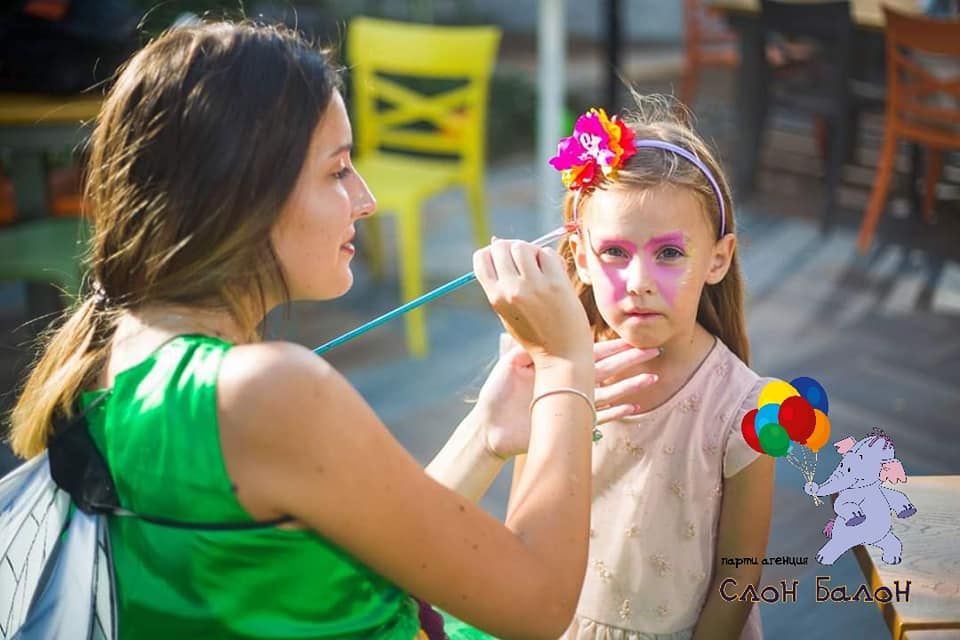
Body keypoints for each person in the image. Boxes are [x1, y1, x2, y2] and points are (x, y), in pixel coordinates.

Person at [6, 21, 657, 640]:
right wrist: (566, 361)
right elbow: (537, 605)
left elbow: (343, 548)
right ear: (246, 194)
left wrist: (485, 435)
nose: (365, 198)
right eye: (337, 169)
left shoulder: (111, 349)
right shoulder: (267, 390)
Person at [508, 95, 776, 640]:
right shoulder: (553, 378)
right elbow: (522, 530)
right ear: (579, 255)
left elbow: (738, 581)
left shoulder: (749, 410)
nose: (639, 281)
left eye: (670, 253)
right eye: (614, 252)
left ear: (718, 259)